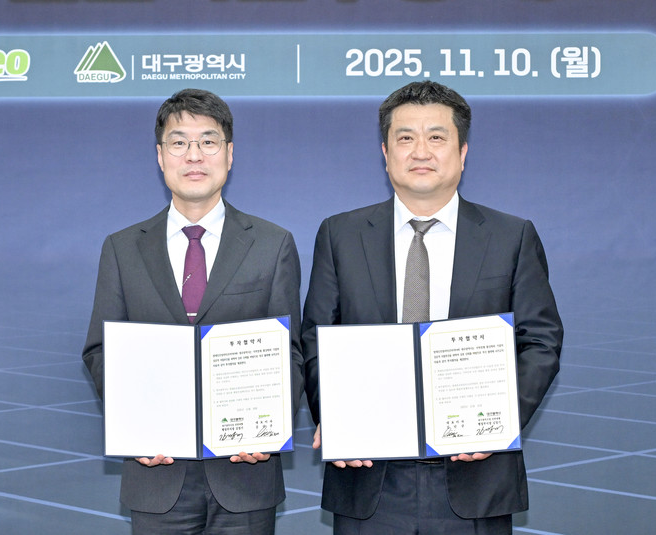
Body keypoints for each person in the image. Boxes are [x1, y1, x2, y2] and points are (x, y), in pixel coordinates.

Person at [302, 80, 563, 534]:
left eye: (436, 137)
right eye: (405, 137)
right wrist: (336, 417)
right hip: (368, 478)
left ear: (462, 152)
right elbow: (315, 339)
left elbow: (540, 342)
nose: (420, 151)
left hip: (475, 478)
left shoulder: (511, 236)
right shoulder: (340, 235)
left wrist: (498, 422)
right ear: (385, 153)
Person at [82, 88, 303, 535]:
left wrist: (268, 427)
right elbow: (100, 350)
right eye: (179, 142)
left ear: (230, 154)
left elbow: (290, 353)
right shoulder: (122, 248)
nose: (194, 155)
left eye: (208, 141)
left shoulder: (272, 243)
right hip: (156, 473)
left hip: (245, 473)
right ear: (160, 156)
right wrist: (135, 424)